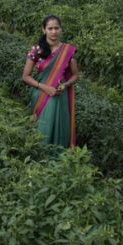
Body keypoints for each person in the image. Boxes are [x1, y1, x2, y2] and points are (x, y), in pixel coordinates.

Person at [22, 15, 79, 148]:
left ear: (61, 30)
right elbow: (25, 76)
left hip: (60, 96)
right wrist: (43, 87)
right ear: (44, 30)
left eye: (56, 28)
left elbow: (75, 75)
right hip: (41, 94)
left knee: (60, 129)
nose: (53, 32)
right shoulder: (37, 50)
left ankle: (59, 161)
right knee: (43, 129)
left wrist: (65, 85)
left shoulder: (68, 51)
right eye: (50, 28)